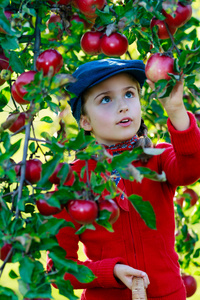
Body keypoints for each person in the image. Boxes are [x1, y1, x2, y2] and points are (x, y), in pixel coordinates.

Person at [47, 58, 200, 300]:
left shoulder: (157, 159)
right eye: (106, 99)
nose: (123, 106)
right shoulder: (73, 181)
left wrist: (176, 111)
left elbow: (191, 169)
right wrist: (110, 272)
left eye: (129, 94)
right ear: (85, 121)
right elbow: (59, 269)